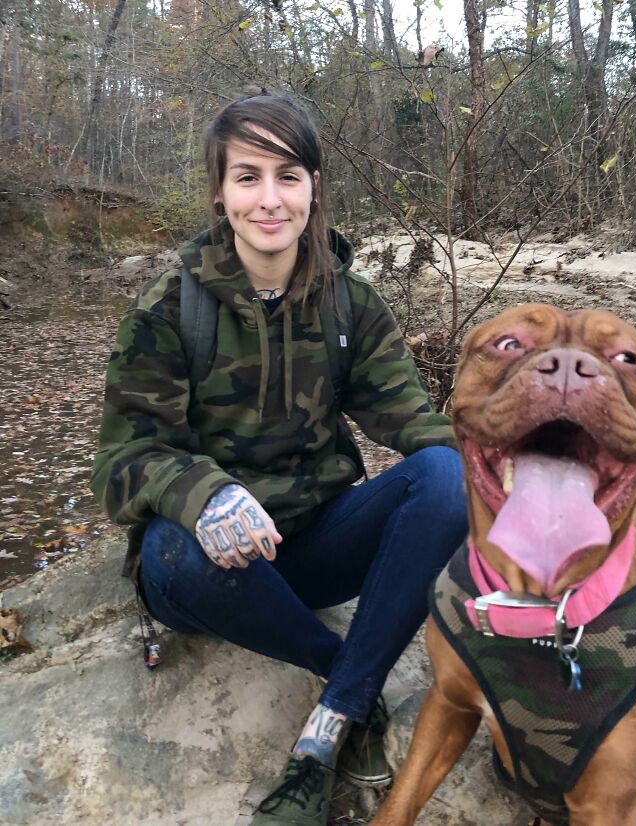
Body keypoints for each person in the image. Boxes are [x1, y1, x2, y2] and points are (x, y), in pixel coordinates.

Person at [91, 91, 468, 825]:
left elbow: (411, 420)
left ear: (314, 188)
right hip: (210, 564)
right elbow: (123, 459)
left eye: (288, 176)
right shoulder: (169, 307)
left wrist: (509, 492)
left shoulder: (349, 302)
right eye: (248, 176)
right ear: (220, 191)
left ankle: (331, 721)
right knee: (170, 549)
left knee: (447, 481)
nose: (270, 199)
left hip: (316, 546)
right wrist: (203, 494)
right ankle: (349, 685)